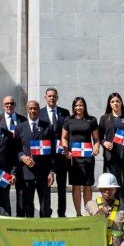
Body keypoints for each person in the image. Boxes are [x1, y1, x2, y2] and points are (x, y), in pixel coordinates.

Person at [15, 100, 56, 218]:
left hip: (44, 173)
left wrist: (52, 171)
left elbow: (52, 152)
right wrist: (22, 157)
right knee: (28, 205)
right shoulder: (20, 127)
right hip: (26, 172)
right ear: (27, 110)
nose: (33, 111)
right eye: (31, 108)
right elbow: (16, 149)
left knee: (45, 205)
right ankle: (30, 230)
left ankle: (45, 229)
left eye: (35, 108)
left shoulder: (48, 127)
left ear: (39, 110)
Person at [61, 96, 99, 216]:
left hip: (87, 157)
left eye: (81, 105)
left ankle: (88, 212)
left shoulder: (92, 120)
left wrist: (96, 147)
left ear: (84, 106)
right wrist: (66, 151)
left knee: (87, 186)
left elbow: (96, 138)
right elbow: (64, 137)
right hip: (74, 158)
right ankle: (78, 213)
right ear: (73, 107)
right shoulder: (68, 120)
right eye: (76, 105)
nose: (78, 107)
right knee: (76, 186)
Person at [43, 88, 71, 217]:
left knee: (61, 187)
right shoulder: (41, 113)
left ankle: (61, 213)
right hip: (46, 157)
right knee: (46, 186)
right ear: (45, 97)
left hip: (61, 156)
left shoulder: (65, 113)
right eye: (49, 96)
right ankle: (47, 212)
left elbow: (68, 134)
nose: (52, 98)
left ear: (57, 98)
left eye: (54, 96)